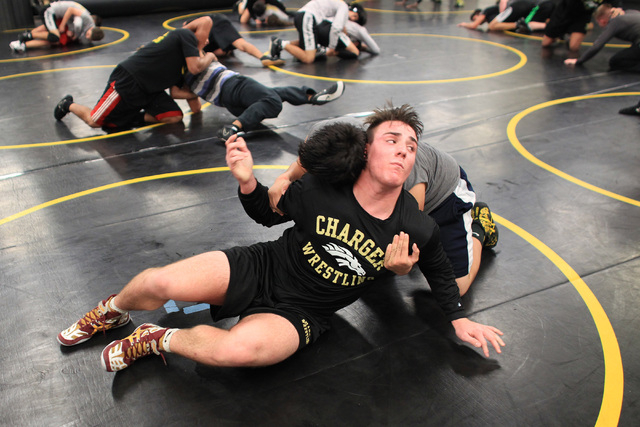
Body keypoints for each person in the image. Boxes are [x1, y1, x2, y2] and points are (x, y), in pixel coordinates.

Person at [56, 104, 505, 373]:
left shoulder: (416, 225)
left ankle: (154, 339)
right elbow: (265, 216)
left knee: (238, 351)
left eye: (411, 146)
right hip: (263, 266)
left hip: (305, 311)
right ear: (366, 149)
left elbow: (443, 275)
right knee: (158, 284)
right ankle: (111, 312)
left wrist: (457, 319)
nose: (404, 150)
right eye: (392, 140)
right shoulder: (322, 189)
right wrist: (248, 181)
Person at [268, 122, 498, 296]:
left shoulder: (403, 177)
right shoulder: (328, 136)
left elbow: (406, 232)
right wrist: (285, 177)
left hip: (444, 197)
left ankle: (478, 227)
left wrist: (403, 266)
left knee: (457, 287)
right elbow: (302, 163)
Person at [53, 27, 215, 132]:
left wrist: (197, 92)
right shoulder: (179, 40)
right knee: (95, 121)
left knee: (174, 117)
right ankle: (68, 105)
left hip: (150, 91)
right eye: (204, 38)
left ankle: (128, 118)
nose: (207, 42)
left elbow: (181, 97)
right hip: (129, 82)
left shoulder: (186, 62)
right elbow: (195, 67)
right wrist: (210, 57)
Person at [169, 55, 345, 139]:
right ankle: (233, 127)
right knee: (273, 102)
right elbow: (206, 29)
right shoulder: (192, 59)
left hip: (228, 102)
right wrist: (208, 58)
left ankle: (313, 97)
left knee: (275, 93)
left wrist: (198, 90)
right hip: (234, 84)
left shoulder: (179, 73)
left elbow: (192, 104)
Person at [269, 0, 359, 64]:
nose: (352, 19)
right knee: (309, 58)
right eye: (354, 16)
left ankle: (285, 44)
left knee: (310, 46)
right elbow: (336, 28)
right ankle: (280, 43)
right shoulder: (343, 7)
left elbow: (338, 27)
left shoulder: (335, 4)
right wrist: (332, 48)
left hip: (304, 17)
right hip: (308, 18)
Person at [183, 14, 284, 67]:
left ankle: (263, 58)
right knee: (224, 50)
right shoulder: (194, 40)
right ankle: (262, 57)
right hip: (212, 29)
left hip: (216, 22)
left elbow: (185, 26)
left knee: (240, 44)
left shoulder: (189, 33)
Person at [564, 5, 640, 71]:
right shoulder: (629, 12)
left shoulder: (615, 22)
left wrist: (579, 61)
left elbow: (597, 46)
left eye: (598, 23)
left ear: (602, 21)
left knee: (615, 61)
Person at [9, 1, 103, 53]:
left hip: (61, 17)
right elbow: (71, 11)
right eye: (87, 34)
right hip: (50, 11)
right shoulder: (86, 18)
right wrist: (63, 25)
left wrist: (71, 31)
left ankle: (24, 43)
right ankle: (26, 36)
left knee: (54, 37)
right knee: (55, 36)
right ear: (91, 28)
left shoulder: (88, 26)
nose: (86, 36)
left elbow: (74, 22)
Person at [541, 0, 621, 54]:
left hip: (582, 16)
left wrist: (618, 8)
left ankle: (571, 36)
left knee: (574, 48)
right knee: (546, 43)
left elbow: (616, 4)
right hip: (563, 13)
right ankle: (560, 34)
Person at [457, 0, 554, 34]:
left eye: (475, 17)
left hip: (513, 8)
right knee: (532, 24)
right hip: (517, 9)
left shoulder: (486, 11)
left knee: (492, 26)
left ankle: (518, 24)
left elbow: (474, 25)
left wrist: (465, 24)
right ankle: (519, 24)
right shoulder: (491, 16)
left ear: (478, 14)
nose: (476, 20)